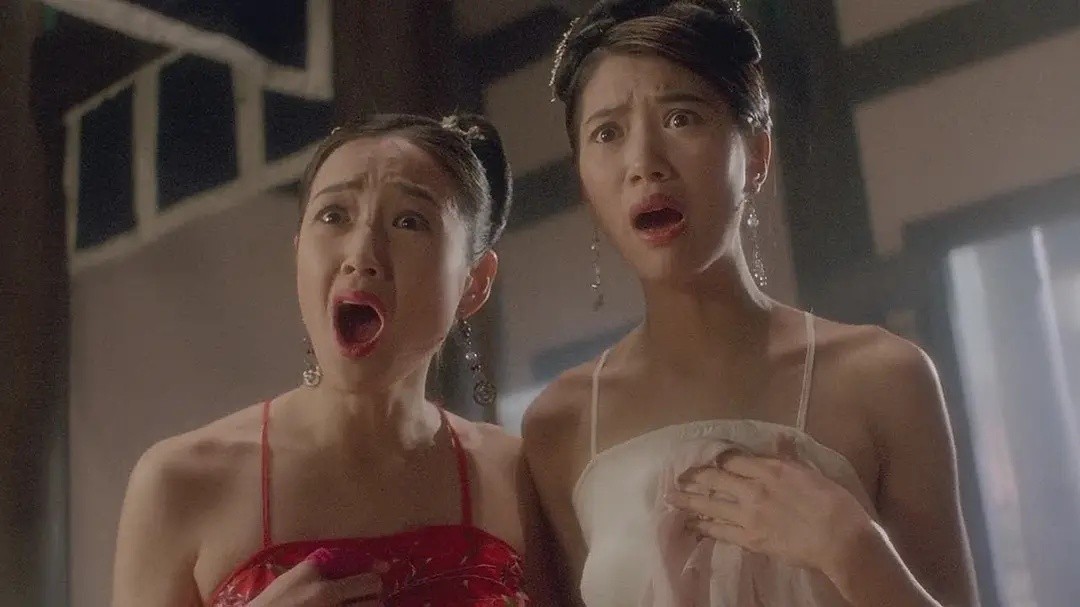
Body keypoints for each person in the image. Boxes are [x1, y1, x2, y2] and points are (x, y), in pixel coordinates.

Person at [523, 1, 978, 605]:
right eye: (607, 133)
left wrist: (852, 550)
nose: (644, 163)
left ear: (756, 154)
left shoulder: (885, 378)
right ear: (585, 182)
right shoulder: (560, 426)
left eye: (681, 118)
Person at [112, 113, 535, 606]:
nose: (362, 255)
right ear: (298, 256)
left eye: (409, 222)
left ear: (474, 282)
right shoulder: (180, 482)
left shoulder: (517, 476)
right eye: (334, 216)